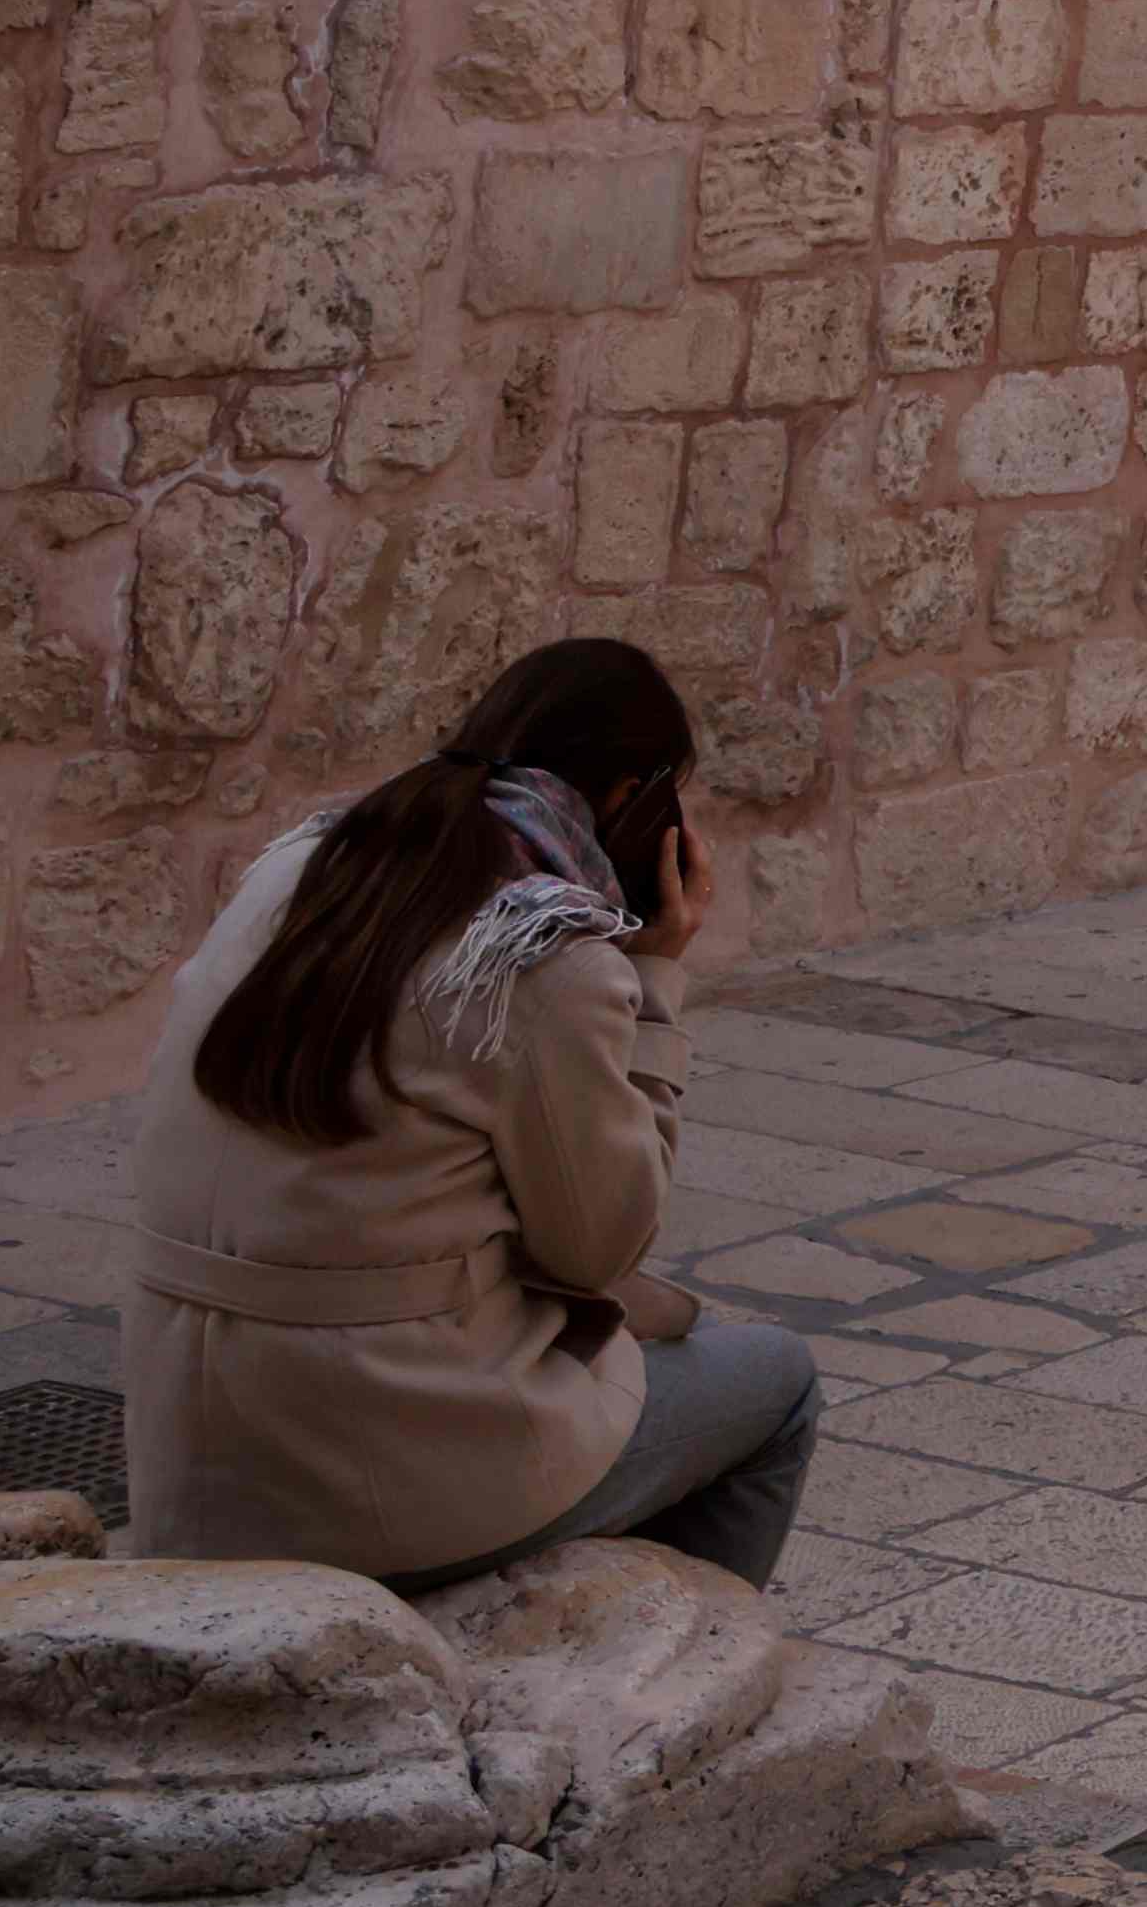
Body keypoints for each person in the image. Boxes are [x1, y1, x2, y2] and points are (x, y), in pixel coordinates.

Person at [121, 637, 811, 1592]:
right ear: (629, 799)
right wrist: (656, 975)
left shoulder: (297, 867)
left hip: (187, 1465)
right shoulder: (541, 951)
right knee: (776, 1382)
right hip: (367, 1481)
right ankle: (665, 1702)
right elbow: (600, 1247)